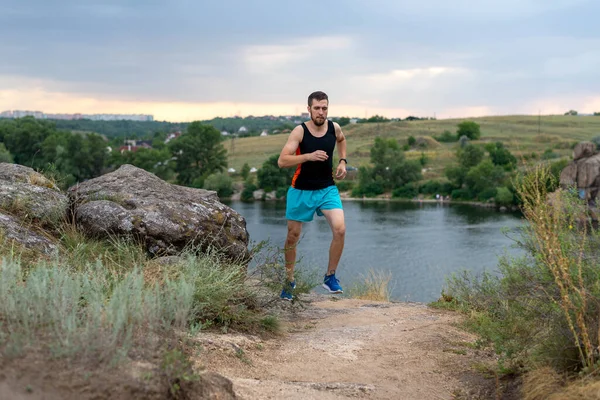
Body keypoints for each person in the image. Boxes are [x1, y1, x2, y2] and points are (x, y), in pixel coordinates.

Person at [277, 91, 347, 300]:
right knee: (293, 236)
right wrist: (308, 156)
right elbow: (282, 161)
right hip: (301, 190)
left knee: (340, 229)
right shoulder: (299, 132)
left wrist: (343, 161)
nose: (321, 112)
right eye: (317, 108)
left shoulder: (334, 128)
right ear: (309, 109)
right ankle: (289, 281)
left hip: (327, 189)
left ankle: (330, 277)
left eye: (324, 108)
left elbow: (342, 140)